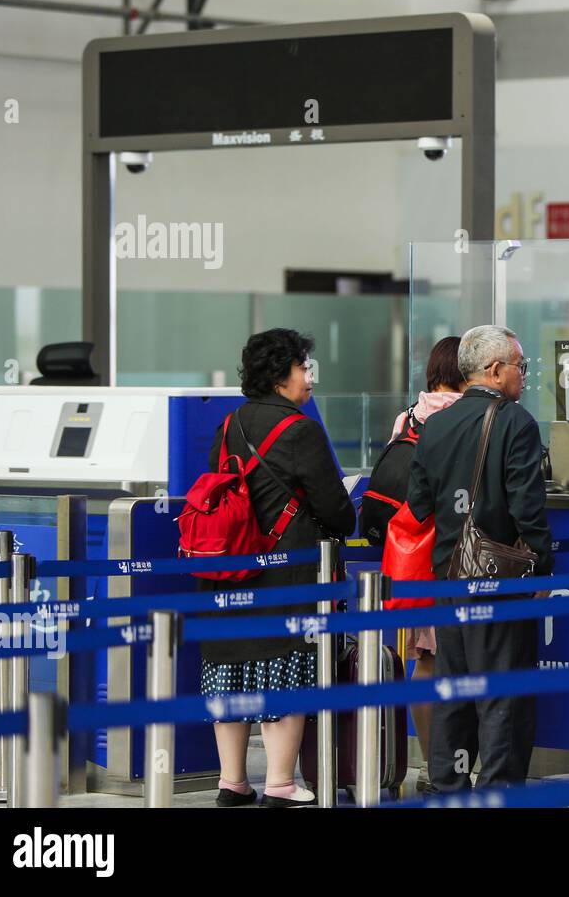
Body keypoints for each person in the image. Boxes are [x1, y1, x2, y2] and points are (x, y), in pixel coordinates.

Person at [199, 328, 355, 807]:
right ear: (281, 373)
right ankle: (281, 783)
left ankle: (233, 782)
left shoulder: (230, 425)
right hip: (284, 573)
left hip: (228, 568)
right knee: (282, 671)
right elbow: (337, 511)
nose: (310, 379)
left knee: (230, 669)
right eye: (304, 368)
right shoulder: (299, 430)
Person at [405, 324, 554, 792]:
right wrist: (541, 566)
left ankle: (449, 785)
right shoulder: (516, 422)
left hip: (448, 577)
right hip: (501, 580)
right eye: (519, 366)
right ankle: (499, 790)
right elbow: (527, 508)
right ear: (494, 369)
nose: (524, 376)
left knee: (454, 689)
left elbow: (419, 503)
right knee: (502, 695)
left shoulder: (435, 423)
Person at [383, 335, 465, 793]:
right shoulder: (468, 415)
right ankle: (452, 766)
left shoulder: (410, 415)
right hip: (453, 556)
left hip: (414, 559)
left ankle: (429, 764)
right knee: (460, 661)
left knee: (426, 660)